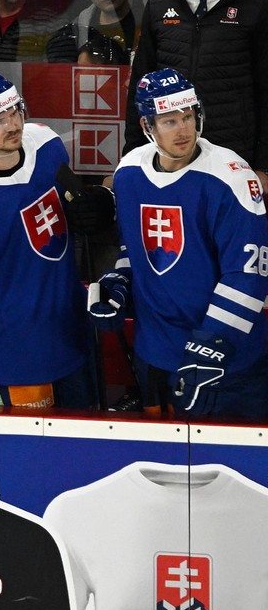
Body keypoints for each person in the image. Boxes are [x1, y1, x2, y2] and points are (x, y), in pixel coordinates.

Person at [92, 68, 268, 415]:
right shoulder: (129, 173)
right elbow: (135, 252)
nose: (184, 129)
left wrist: (212, 345)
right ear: (148, 126)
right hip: (155, 356)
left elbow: (249, 273)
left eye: (188, 116)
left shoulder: (230, 176)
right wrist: (118, 288)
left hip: (228, 363)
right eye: (170, 121)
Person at [0, 69, 109, 410]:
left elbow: (75, 200)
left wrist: (99, 204)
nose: (13, 125)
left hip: (70, 332)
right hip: (13, 351)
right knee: (27, 462)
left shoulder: (46, 143)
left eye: (15, 111)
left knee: (88, 456)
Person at [127, 0, 268, 171]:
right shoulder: (159, 3)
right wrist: (134, 157)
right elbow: (141, 84)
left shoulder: (255, 5)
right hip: (171, 154)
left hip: (234, 156)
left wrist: (264, 166)